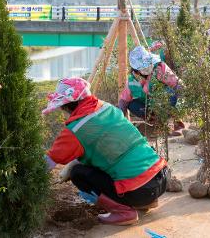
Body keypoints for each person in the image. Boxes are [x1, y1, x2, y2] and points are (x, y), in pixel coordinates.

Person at [43, 77, 168, 225]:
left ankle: (124, 212)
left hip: (140, 189)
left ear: (66, 105)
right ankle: (148, 201)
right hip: (161, 176)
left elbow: (46, 164)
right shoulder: (106, 107)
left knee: (78, 173)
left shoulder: (75, 130)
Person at [118, 46, 184, 134]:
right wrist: (119, 120)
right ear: (136, 70)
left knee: (171, 93)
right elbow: (124, 100)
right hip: (150, 107)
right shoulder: (132, 81)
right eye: (143, 67)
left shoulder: (160, 68)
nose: (147, 68)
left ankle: (173, 122)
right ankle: (156, 123)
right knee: (132, 104)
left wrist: (179, 107)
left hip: (165, 102)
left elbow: (178, 86)